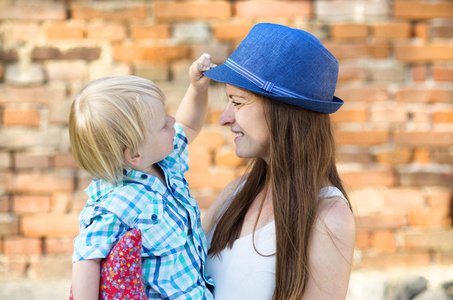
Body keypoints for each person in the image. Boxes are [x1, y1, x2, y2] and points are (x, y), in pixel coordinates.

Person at [201, 23, 356, 300]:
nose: (224, 118)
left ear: (282, 113)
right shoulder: (235, 193)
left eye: (237, 102)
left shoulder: (328, 218)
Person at [69, 54, 216, 299]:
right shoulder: (116, 203)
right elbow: (86, 259)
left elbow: (188, 125)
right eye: (163, 125)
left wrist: (197, 89)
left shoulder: (165, 160)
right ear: (134, 154)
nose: (173, 122)